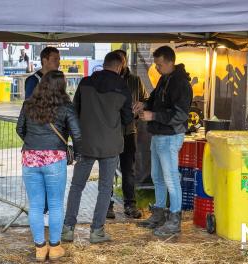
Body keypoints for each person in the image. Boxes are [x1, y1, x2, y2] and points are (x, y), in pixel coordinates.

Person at [62, 52, 133, 243]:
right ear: (119, 67)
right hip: (110, 145)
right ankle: (96, 231)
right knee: (104, 188)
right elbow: (128, 119)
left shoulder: (85, 83)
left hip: (86, 143)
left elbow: (74, 111)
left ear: (104, 64)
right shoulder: (122, 86)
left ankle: (68, 229)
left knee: (76, 186)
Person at [16, 70, 81, 262]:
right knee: (54, 204)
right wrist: (75, 154)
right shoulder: (66, 107)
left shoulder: (29, 104)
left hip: (30, 158)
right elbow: (77, 134)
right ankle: (54, 247)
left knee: (35, 205)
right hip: (54, 158)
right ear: (61, 86)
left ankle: (39, 249)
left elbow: (20, 129)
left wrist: (33, 145)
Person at [135, 46, 192, 237]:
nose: (157, 68)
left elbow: (181, 115)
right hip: (158, 135)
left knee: (171, 178)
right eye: (156, 65)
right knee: (157, 177)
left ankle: (175, 220)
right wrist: (144, 105)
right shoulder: (164, 78)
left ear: (170, 62)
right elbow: (153, 100)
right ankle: (158, 213)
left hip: (170, 136)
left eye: (159, 65)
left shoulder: (181, 83)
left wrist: (154, 115)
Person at [106, 49, 148, 219]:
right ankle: (106, 205)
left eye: (123, 60)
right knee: (107, 169)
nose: (121, 63)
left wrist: (141, 105)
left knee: (128, 170)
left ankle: (130, 205)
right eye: (119, 60)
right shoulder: (106, 80)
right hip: (108, 132)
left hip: (129, 131)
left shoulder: (135, 81)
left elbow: (145, 99)